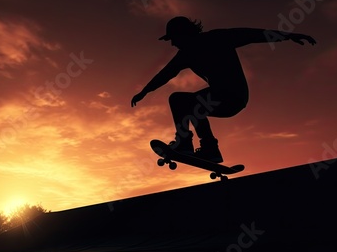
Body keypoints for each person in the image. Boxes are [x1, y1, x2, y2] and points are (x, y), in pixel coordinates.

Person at [131, 16, 316, 163]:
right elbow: (165, 74)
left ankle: (189, 143)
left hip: (232, 95)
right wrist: (145, 91)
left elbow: (253, 35)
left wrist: (289, 35)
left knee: (184, 101)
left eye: (174, 39)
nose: (173, 44)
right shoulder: (185, 54)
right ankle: (209, 149)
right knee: (187, 102)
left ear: (183, 33)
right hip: (225, 99)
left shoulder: (218, 38)